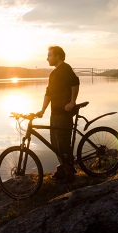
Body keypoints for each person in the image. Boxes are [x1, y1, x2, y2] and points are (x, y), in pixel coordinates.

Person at [37, 46, 80, 183]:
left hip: (64, 113)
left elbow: (75, 83)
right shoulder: (53, 74)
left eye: (49, 55)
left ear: (58, 56)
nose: (47, 58)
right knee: (55, 143)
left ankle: (69, 174)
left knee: (63, 144)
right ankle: (63, 168)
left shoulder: (66, 69)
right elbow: (48, 93)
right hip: (54, 113)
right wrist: (42, 110)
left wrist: (72, 102)